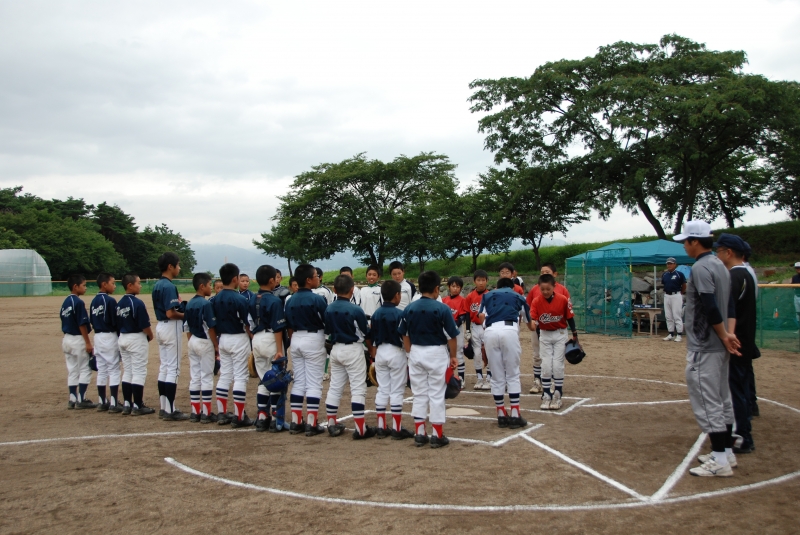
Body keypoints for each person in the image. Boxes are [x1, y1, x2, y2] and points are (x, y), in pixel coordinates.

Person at [673, 221, 741, 478]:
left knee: (707, 399)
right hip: (718, 344)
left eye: (686, 241)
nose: (684, 246)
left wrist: (723, 335)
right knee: (723, 398)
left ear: (695, 241)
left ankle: (720, 458)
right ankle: (727, 452)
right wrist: (729, 334)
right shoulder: (720, 265)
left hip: (705, 344)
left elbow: (711, 306)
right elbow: (730, 304)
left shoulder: (701, 267)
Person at [399, 271, 460, 448]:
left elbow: (404, 334)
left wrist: (410, 353)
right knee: (436, 394)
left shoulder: (409, 308)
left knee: (419, 393)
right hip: (436, 352)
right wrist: (453, 356)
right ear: (436, 289)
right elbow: (452, 336)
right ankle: (437, 435)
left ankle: (419, 433)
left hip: (416, 351)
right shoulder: (442, 308)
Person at [714, 234, 759, 454]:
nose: (717, 255)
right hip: (743, 339)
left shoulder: (734, 276)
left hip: (735, 341)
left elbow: (725, 310)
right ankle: (742, 432)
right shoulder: (747, 273)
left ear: (728, 252)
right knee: (738, 388)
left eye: (719, 251)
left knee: (733, 391)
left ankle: (741, 436)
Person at [479, 277, 535, 428]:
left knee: (496, 376)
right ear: (513, 287)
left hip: (490, 331)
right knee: (512, 374)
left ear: (497, 287)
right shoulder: (519, 296)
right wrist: (535, 326)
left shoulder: (487, 296)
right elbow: (529, 322)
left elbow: (481, 316)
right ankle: (515, 415)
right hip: (509, 330)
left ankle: (501, 415)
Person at [324, 275, 374, 439]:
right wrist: (372, 350)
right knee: (358, 388)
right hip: (353, 349)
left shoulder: (329, 308)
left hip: (336, 349)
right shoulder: (356, 309)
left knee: (335, 387)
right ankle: (361, 429)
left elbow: (328, 331)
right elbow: (366, 333)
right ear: (352, 290)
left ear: (334, 290)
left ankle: (331, 424)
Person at [284, 264, 328, 436]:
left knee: (299, 381)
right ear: (309, 280)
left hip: (296, 338)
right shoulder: (317, 299)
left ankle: (296, 422)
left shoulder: (290, 299)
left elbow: (288, 323)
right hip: (313, 338)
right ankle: (311, 423)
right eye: (316, 276)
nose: (318, 278)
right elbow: (326, 321)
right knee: (314, 383)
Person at [369, 280, 414, 440]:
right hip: (396, 352)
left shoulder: (376, 313)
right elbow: (405, 335)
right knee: (397, 390)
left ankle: (381, 427)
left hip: (380, 352)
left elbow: (372, 335)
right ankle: (396, 428)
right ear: (397, 295)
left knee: (383, 389)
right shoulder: (400, 313)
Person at [212, 263, 254, 428]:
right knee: (240, 377)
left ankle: (222, 413)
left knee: (225, 375)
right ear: (235, 279)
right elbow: (247, 324)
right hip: (238, 338)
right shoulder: (240, 299)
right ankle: (239, 416)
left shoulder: (215, 298)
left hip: (223, 339)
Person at [529, 273, 578, 410]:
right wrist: (532, 324)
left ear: (554, 287)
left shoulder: (562, 299)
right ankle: (546, 395)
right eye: (542, 289)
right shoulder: (536, 301)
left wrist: (575, 334)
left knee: (557, 365)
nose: (545, 292)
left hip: (560, 334)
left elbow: (570, 317)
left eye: (548, 289)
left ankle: (557, 395)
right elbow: (533, 319)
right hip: (544, 334)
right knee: (545, 365)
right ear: (538, 287)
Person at [251, 265, 287, 432]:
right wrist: (279, 350)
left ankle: (261, 416)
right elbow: (278, 328)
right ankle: (274, 419)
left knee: (263, 379)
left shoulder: (251, 298)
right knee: (276, 378)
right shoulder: (274, 300)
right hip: (271, 339)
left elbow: (248, 323)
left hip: (256, 338)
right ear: (272, 280)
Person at [526, 263, 571, 394]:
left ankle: (553, 383)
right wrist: (531, 322)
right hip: (539, 326)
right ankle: (537, 381)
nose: (544, 274)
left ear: (554, 274)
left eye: (547, 272)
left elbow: (568, 310)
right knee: (538, 355)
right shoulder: (535, 289)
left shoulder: (562, 290)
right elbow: (529, 306)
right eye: (542, 272)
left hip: (556, 329)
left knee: (555, 359)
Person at [152, 252, 186, 421]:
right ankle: (171, 409)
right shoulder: (169, 286)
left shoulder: (157, 284)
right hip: (170, 327)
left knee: (164, 367)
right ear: (170, 267)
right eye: (177, 265)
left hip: (160, 326)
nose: (179, 268)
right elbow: (171, 313)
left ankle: (164, 407)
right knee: (173, 368)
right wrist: (186, 315)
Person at [183, 273, 220, 424]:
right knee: (206, 376)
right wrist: (216, 345)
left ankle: (195, 412)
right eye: (210, 285)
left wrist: (191, 341)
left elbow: (186, 327)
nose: (211, 288)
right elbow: (211, 327)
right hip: (204, 341)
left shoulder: (189, 303)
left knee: (195, 376)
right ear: (201, 286)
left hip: (192, 340)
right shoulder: (205, 304)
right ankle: (206, 413)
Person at [117, 273, 155, 415]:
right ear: (130, 285)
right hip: (136, 338)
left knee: (128, 371)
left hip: (123, 337)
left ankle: (127, 404)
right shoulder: (137, 303)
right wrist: (150, 334)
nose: (140, 286)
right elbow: (144, 324)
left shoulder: (120, 303)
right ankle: (138, 405)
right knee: (139, 371)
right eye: (138, 283)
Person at [60, 274, 96, 409]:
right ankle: (81, 399)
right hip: (77, 339)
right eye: (84, 285)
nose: (85, 288)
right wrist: (88, 342)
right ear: (75, 286)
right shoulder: (78, 302)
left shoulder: (65, 302)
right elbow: (82, 324)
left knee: (72, 370)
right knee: (85, 369)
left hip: (67, 339)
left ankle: (72, 399)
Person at [90, 273, 121, 412]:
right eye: (112, 283)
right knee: (114, 369)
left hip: (97, 336)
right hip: (109, 336)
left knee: (102, 369)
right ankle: (114, 403)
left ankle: (102, 401)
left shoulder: (94, 301)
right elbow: (115, 321)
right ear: (104, 284)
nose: (114, 286)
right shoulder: (110, 301)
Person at [465, 269, 491, 390]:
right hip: (475, 326)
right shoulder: (470, 296)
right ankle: (479, 378)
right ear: (474, 281)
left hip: (487, 326)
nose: (481, 283)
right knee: (477, 353)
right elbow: (467, 313)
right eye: (478, 280)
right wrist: (467, 330)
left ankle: (489, 379)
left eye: (483, 280)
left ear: (487, 281)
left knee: (489, 352)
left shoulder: (490, 295)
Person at [442, 276, 469, 387]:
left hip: (457, 329)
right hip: (445, 329)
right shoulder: (444, 300)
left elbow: (463, 316)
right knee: (446, 353)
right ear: (449, 287)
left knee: (458, 353)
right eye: (453, 286)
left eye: (458, 287)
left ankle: (461, 379)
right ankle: (449, 378)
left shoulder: (462, 300)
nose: (455, 289)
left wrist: (453, 326)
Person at [661, 257, 687, 342]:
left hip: (676, 295)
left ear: (675, 264)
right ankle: (670, 333)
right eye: (668, 264)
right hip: (667, 295)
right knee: (668, 316)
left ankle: (679, 334)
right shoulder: (665, 274)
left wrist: (680, 293)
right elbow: (664, 284)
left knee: (677, 315)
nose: (669, 265)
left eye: (671, 264)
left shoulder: (679, 274)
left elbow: (684, 285)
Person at [793, 261, 800, 328]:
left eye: (799, 268)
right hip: (797, 296)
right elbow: (792, 286)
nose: (798, 269)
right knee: (797, 313)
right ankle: (799, 328)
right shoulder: (795, 277)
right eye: (797, 268)